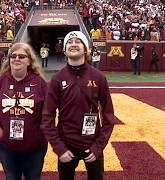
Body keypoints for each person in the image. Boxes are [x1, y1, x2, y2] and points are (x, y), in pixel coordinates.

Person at [41, 31, 115, 180]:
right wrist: (59, 148)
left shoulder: (99, 77)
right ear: (64, 49)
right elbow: (47, 115)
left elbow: (108, 114)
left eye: (78, 41)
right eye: (69, 42)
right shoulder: (57, 79)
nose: (73, 44)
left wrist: (99, 146)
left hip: (93, 143)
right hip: (66, 145)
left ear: (85, 48)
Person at [0, 43, 48, 180]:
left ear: (29, 61)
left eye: (22, 56)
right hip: (7, 146)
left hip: (34, 146)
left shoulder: (40, 84)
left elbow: (49, 111)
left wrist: (41, 130)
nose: (17, 59)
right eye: (13, 56)